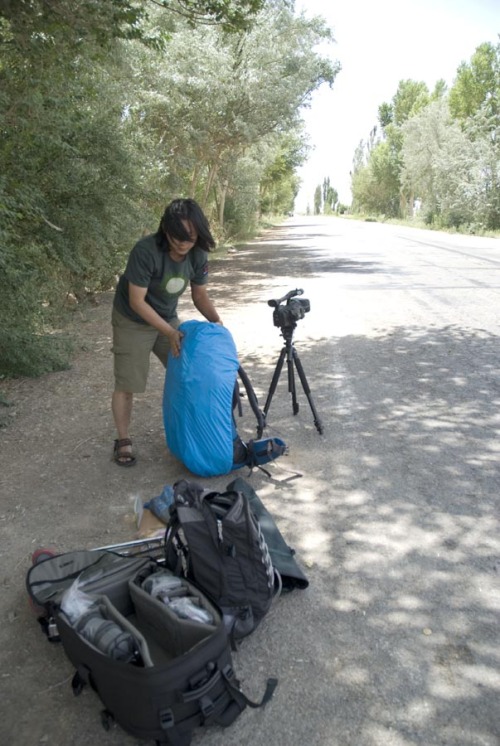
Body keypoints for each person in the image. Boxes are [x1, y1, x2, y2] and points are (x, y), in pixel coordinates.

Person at [111, 198, 222, 466]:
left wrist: (218, 325)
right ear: (165, 229)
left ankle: (193, 430)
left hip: (166, 316)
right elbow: (137, 302)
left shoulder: (198, 254)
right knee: (128, 382)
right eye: (178, 236)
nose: (184, 242)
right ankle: (123, 439)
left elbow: (200, 295)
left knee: (188, 370)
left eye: (191, 236)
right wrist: (170, 332)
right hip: (131, 320)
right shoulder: (145, 251)